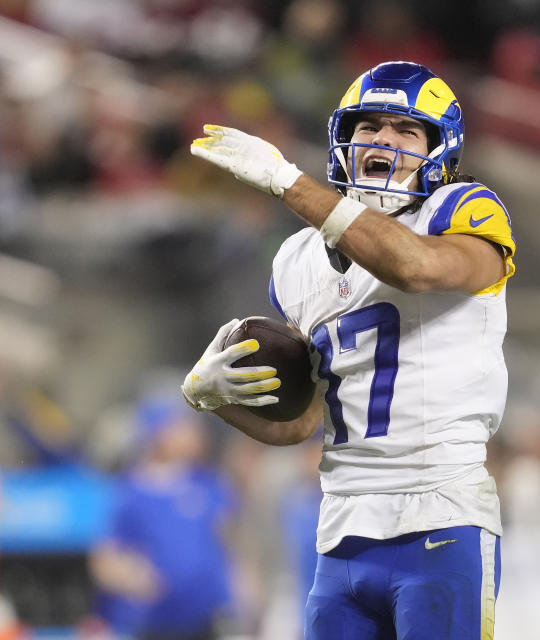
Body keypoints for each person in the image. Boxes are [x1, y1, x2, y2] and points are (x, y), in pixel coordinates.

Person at [182, 61, 515, 640]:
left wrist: (289, 182)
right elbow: (301, 422)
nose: (384, 139)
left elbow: (413, 266)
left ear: (439, 151)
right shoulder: (294, 261)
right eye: (370, 127)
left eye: (406, 130)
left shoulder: (461, 211)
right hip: (340, 532)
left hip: (441, 517)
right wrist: (209, 397)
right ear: (345, 141)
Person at [90, 395, 237, 640]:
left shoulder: (208, 484)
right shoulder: (131, 492)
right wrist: (132, 577)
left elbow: (228, 539)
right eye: (180, 426)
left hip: (207, 618)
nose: (192, 434)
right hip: (154, 621)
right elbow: (107, 556)